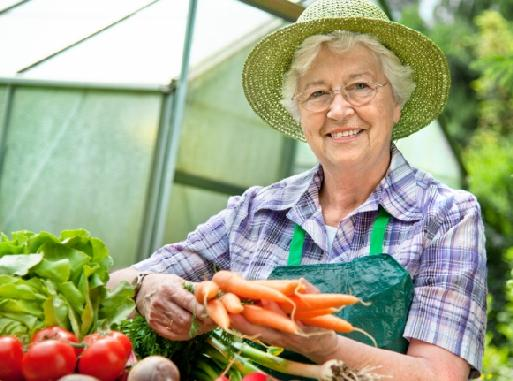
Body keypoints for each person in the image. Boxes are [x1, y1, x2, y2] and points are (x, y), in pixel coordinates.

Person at [108, 0, 487, 379]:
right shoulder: (257, 211)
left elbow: (439, 375)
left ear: (396, 104)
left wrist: (326, 347)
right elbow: (112, 284)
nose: (338, 110)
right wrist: (147, 285)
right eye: (317, 94)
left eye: (359, 86)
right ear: (300, 113)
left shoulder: (445, 215)